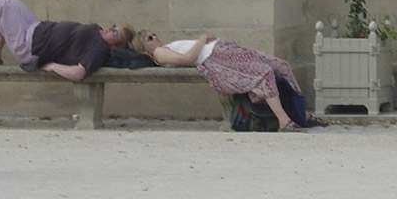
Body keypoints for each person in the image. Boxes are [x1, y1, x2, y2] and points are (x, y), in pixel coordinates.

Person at [132, 31, 327, 132]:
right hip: (217, 56)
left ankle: (301, 112)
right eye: (150, 37)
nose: (155, 37)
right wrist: (202, 38)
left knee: (281, 65)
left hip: (223, 49)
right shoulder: (158, 53)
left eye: (154, 33)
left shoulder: (164, 47)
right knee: (264, 72)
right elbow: (187, 59)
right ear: (144, 49)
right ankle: (284, 122)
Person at [0, 0, 133, 81]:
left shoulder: (98, 49)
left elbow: (79, 73)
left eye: (115, 33)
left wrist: (53, 66)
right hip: (35, 28)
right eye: (113, 26)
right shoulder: (97, 33)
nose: (110, 28)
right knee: (11, 2)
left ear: (115, 46)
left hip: (29, 47)